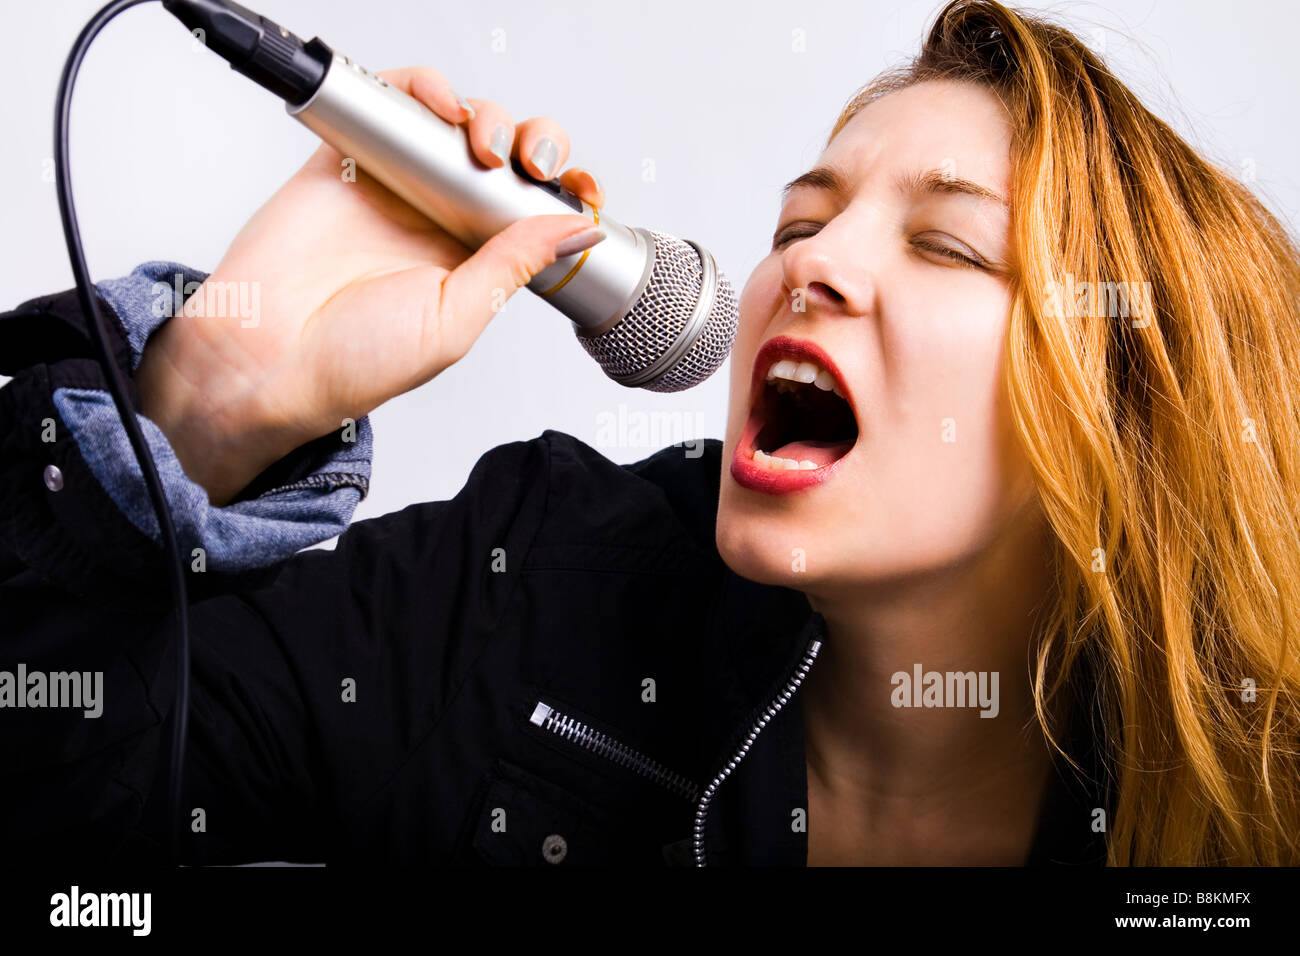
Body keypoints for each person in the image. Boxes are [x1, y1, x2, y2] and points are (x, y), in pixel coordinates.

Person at [2, 0, 1298, 866]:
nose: (809, 267)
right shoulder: (533, 576)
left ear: (1132, 408)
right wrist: (206, 396)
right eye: (800, 223)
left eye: (949, 243)